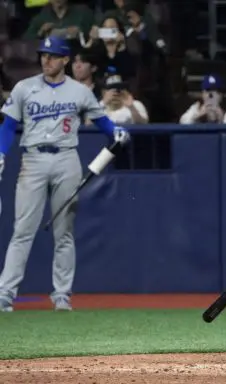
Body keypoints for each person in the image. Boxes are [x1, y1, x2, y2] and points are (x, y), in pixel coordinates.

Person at [0, 36, 131, 312]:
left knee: (64, 232)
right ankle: (5, 294)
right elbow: (9, 125)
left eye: (52, 55)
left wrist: (115, 132)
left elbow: (103, 121)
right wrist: (1, 152)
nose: (46, 60)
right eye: (43, 55)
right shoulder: (24, 88)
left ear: (65, 60)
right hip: (33, 159)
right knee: (22, 231)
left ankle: (61, 296)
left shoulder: (79, 92)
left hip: (66, 160)